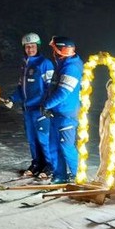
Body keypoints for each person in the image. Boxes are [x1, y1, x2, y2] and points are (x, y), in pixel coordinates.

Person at [10, 32, 54, 178]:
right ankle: (37, 163)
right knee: (32, 139)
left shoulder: (44, 64)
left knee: (43, 139)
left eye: (33, 46)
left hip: (40, 109)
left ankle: (49, 165)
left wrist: (48, 105)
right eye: (27, 47)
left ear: (38, 47)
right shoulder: (25, 64)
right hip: (27, 109)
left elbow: (51, 87)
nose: (30, 49)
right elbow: (20, 87)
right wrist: (12, 98)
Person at [41, 36, 84, 184]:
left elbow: (63, 92)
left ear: (60, 50)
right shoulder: (62, 64)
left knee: (66, 146)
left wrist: (46, 105)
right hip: (57, 113)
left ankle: (79, 175)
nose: (53, 52)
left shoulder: (72, 67)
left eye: (54, 49)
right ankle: (60, 175)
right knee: (54, 146)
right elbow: (53, 88)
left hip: (67, 114)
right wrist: (47, 103)